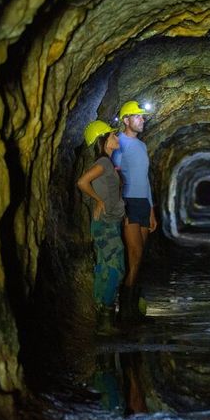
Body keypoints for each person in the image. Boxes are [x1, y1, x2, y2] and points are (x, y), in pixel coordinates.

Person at [77, 120, 125, 335]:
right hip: (104, 224)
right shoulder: (104, 163)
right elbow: (82, 182)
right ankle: (104, 320)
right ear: (104, 140)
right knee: (113, 268)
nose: (117, 137)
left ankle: (105, 320)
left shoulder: (108, 163)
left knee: (108, 268)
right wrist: (98, 200)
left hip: (110, 223)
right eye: (113, 135)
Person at [112, 100, 157, 322]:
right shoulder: (119, 143)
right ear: (126, 120)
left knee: (139, 258)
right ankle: (125, 308)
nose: (142, 120)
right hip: (128, 202)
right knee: (134, 254)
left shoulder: (141, 145)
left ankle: (132, 305)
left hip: (142, 203)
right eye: (138, 117)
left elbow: (145, 179)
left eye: (142, 117)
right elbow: (116, 177)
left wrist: (152, 210)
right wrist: (122, 207)